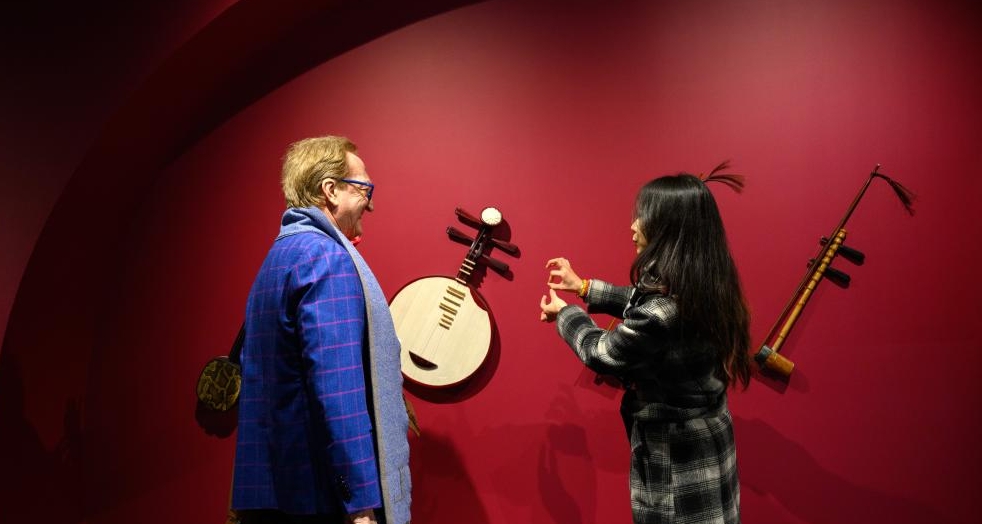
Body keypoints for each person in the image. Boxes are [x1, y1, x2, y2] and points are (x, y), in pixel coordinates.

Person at [539, 163, 751, 524]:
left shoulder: (663, 310)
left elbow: (602, 353)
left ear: (669, 228)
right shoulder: (705, 282)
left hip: (680, 466)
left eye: (643, 217)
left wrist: (565, 313)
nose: (633, 226)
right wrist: (585, 287)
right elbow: (642, 302)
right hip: (710, 441)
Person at [232, 136, 411, 524]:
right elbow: (337, 388)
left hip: (271, 495)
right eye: (364, 189)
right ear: (330, 190)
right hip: (318, 499)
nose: (370, 203)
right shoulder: (326, 258)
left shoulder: (279, 256)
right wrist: (360, 504)